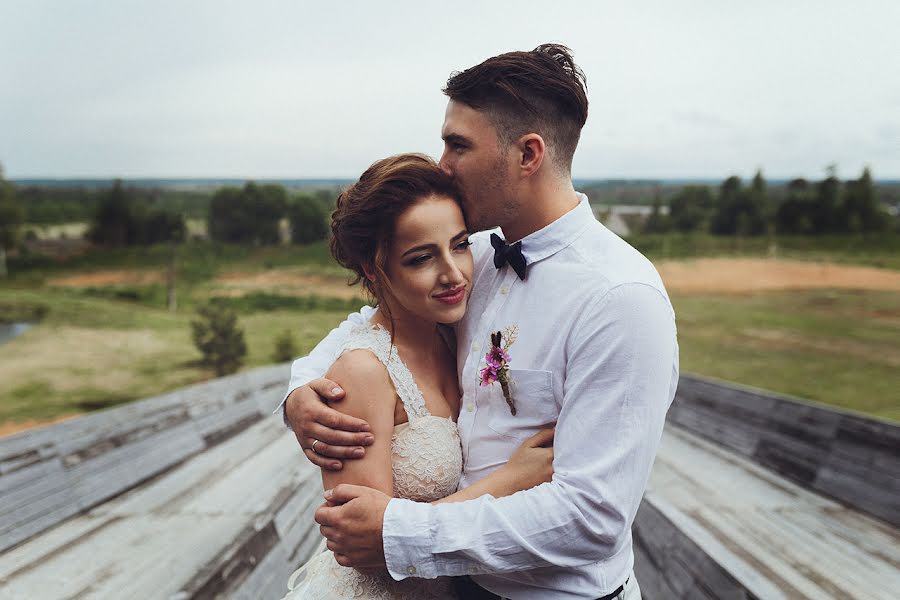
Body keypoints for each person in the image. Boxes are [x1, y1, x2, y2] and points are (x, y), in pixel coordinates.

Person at [280, 44, 678, 599]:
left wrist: (401, 533)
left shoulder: (619, 299)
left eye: (457, 145)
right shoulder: (477, 255)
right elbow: (375, 321)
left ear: (528, 154)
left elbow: (591, 517)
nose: (442, 164)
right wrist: (302, 390)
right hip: (456, 585)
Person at [280, 153, 555, 599]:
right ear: (374, 269)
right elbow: (365, 548)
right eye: (421, 258)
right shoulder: (361, 372)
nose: (453, 274)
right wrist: (512, 481)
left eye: (461, 245)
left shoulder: (455, 334)